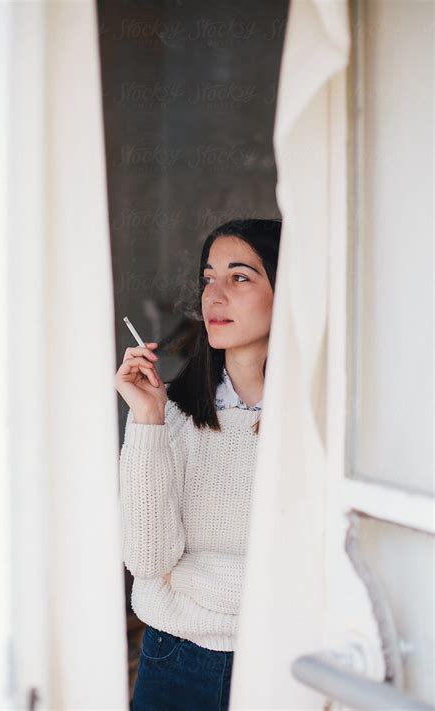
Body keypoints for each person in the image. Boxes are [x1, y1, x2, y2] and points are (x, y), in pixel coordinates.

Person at [115, 218, 282, 710]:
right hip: (173, 664)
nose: (214, 295)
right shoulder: (169, 414)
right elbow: (146, 561)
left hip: (284, 660)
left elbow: (316, 571)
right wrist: (147, 419)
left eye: (240, 277)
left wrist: (188, 577)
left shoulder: (321, 424)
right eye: (209, 278)